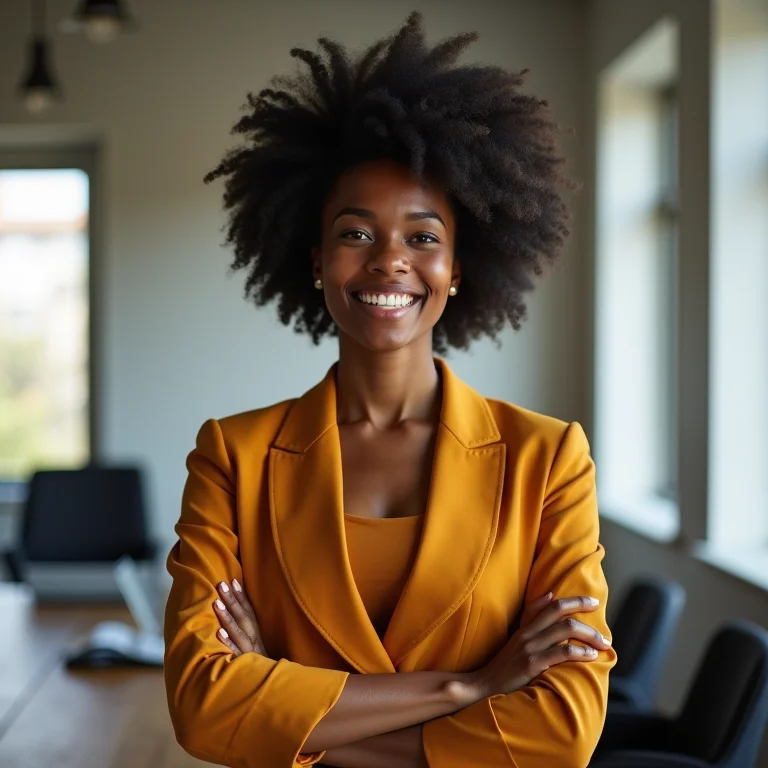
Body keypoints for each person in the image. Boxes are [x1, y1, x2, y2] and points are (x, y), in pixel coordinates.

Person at [163, 12, 617, 768]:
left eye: (423, 236)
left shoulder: (549, 459)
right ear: (316, 260)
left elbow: (564, 731)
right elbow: (203, 710)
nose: (389, 262)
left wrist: (289, 702)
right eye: (355, 232)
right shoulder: (231, 456)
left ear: (460, 267)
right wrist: (470, 688)